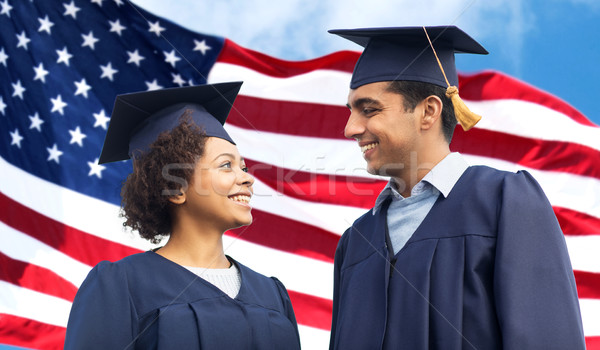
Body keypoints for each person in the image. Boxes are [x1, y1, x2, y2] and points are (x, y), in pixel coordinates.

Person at [328, 26, 585, 349]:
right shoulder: (355, 243)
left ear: (428, 111)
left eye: (369, 110)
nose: (351, 128)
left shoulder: (503, 203)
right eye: (350, 111)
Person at [64, 82, 301, 349]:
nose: (247, 178)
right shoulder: (121, 287)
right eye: (226, 165)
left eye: (243, 166)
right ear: (175, 188)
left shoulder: (272, 294)